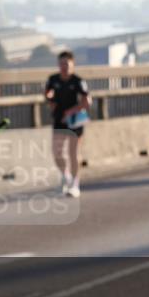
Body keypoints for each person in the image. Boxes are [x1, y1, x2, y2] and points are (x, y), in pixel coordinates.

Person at [44, 51, 91, 198]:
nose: (64, 67)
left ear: (72, 65)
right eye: (61, 64)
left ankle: (75, 185)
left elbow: (87, 102)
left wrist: (71, 111)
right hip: (58, 120)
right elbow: (47, 93)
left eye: (67, 64)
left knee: (73, 153)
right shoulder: (52, 79)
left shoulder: (78, 81)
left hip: (74, 121)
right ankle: (66, 176)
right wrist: (49, 99)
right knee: (57, 153)